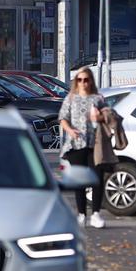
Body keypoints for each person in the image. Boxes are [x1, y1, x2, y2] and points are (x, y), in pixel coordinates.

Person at [59, 67, 109, 228]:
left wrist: (99, 116)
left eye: (86, 80)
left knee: (97, 178)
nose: (83, 83)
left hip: (95, 144)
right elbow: (63, 118)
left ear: (91, 81)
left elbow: (109, 116)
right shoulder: (71, 98)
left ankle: (96, 214)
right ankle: (81, 214)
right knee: (79, 179)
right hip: (76, 144)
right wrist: (69, 130)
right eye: (79, 80)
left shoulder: (98, 98)